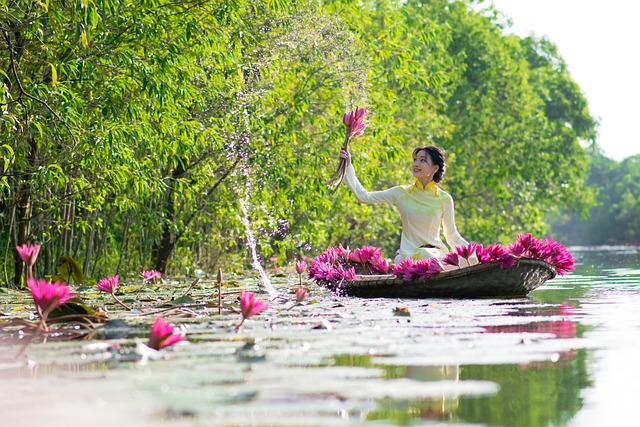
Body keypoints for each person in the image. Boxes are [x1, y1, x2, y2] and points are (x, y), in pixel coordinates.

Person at [339, 145, 468, 263]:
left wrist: (476, 254)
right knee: (400, 260)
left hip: (433, 256)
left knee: (428, 255)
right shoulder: (401, 193)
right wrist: (348, 165)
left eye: (422, 160)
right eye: (415, 159)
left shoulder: (444, 199)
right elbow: (364, 197)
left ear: (435, 168)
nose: (416, 164)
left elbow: (451, 236)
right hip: (407, 258)